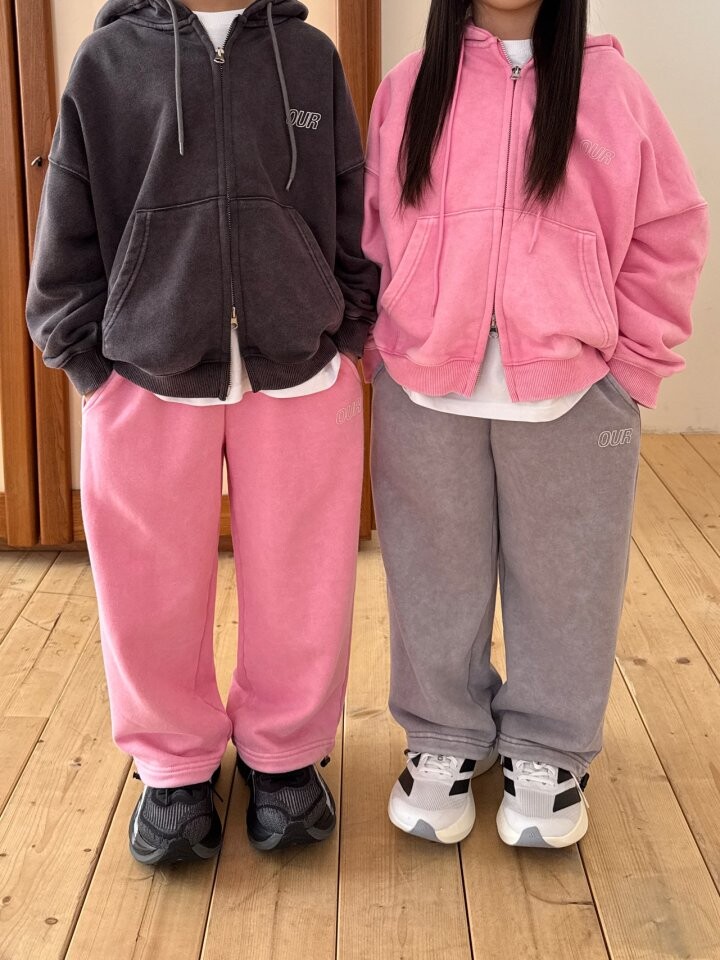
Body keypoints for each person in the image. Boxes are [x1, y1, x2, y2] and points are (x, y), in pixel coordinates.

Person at [26, 0, 378, 865]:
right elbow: (69, 219)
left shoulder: (308, 55)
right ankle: (174, 766)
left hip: (299, 363)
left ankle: (284, 754)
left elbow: (352, 202)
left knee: (304, 571)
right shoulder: (107, 63)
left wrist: (349, 331)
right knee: (146, 580)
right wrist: (86, 360)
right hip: (144, 368)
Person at [362, 0, 708, 848]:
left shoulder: (612, 89)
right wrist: (380, 346)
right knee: (431, 572)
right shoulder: (409, 86)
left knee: (569, 578)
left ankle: (549, 746)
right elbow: (371, 229)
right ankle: (444, 732)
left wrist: (633, 367)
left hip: (575, 390)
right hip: (424, 385)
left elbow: (669, 231)